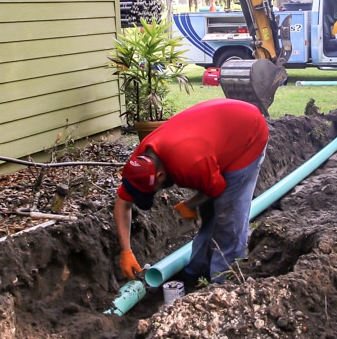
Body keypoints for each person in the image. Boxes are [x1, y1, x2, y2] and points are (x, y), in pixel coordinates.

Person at [113, 98, 269, 284]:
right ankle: (196, 272)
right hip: (217, 132)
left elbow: (217, 189)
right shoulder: (139, 162)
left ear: (161, 174)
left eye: (151, 191)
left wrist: (191, 204)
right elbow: (123, 203)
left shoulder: (189, 163)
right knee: (210, 214)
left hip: (247, 135)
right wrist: (126, 251)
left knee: (229, 218)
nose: (152, 194)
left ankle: (223, 283)